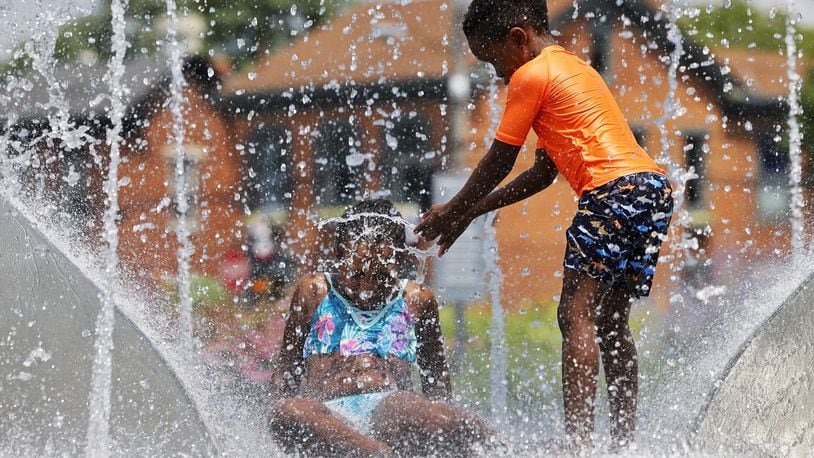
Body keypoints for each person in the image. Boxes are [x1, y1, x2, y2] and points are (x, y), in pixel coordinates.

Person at [415, 0, 674, 449]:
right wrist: (473, 212)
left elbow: (499, 159)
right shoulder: (574, 70)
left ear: (518, 37)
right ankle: (625, 444)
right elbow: (542, 172)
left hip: (610, 189)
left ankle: (577, 445)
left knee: (573, 313)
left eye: (494, 59)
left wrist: (452, 209)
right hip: (651, 189)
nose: (497, 74)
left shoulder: (530, 75)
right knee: (611, 320)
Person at [270, 199, 494, 456]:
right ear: (339, 256)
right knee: (289, 411)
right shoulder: (314, 291)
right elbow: (286, 371)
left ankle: (508, 449)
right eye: (357, 275)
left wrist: (439, 427)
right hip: (328, 418)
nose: (368, 287)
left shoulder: (415, 299)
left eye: (380, 277)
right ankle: (376, 453)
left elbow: (437, 383)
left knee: (431, 412)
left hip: (389, 410)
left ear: (399, 260)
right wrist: (283, 422)